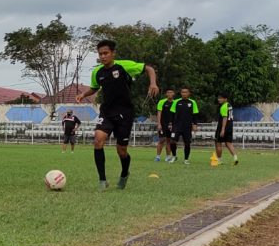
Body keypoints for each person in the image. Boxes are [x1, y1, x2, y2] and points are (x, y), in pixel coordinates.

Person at [76, 39, 158, 190]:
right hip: (107, 112)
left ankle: (125, 173)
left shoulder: (124, 66)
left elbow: (149, 69)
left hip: (125, 113)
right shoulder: (97, 72)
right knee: (98, 140)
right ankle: (102, 180)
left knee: (121, 150)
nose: (103, 56)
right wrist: (83, 94)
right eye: (100, 54)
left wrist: (153, 83)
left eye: (106, 53)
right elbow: (94, 88)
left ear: (113, 53)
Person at [170, 87, 199, 165]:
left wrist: (195, 125)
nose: (184, 93)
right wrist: (171, 124)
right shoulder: (176, 102)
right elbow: (172, 114)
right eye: (182, 92)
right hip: (176, 126)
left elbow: (195, 115)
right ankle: (174, 156)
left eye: (186, 92)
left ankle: (186, 159)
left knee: (187, 143)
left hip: (187, 126)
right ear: (181, 93)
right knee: (172, 141)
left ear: (189, 93)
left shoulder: (192, 102)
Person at [215, 92, 238, 165]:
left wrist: (222, 129)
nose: (219, 99)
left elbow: (224, 118)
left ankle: (219, 160)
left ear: (225, 99)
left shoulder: (224, 106)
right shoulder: (229, 105)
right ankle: (235, 158)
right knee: (228, 143)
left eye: (221, 98)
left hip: (223, 127)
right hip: (230, 126)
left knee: (218, 143)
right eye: (218, 98)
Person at [155, 88, 176, 162]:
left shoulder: (175, 102)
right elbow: (159, 113)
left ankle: (168, 156)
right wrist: (159, 124)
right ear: (166, 94)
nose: (170, 94)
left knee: (169, 141)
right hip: (163, 124)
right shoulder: (162, 102)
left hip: (171, 125)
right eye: (168, 92)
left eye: (171, 92)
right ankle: (158, 156)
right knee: (161, 140)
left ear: (173, 94)